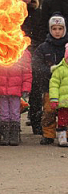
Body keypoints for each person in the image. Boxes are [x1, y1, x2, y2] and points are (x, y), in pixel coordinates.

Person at [12, 0, 43, 135]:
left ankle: (37, 122)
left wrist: (33, 49)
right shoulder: (9, 12)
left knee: (36, 90)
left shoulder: (38, 13)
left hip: (34, 54)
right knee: (15, 91)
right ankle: (13, 123)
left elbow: (41, 34)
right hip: (16, 55)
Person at [33, 13, 68, 145]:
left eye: (60, 28)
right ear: (50, 29)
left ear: (64, 29)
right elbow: (36, 65)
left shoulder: (67, 46)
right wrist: (48, 70)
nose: (57, 32)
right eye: (54, 28)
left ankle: (65, 133)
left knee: (66, 111)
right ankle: (48, 134)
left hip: (66, 87)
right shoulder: (43, 47)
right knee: (49, 111)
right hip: (48, 86)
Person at [0, 51, 32, 146]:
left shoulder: (23, 53)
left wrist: (25, 89)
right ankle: (5, 135)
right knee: (3, 113)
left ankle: (14, 135)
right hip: (1, 90)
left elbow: (27, 73)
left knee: (15, 112)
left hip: (15, 90)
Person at [49, 43, 68, 146]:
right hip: (63, 103)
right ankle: (62, 138)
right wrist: (54, 99)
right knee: (62, 121)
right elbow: (54, 86)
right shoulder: (60, 70)